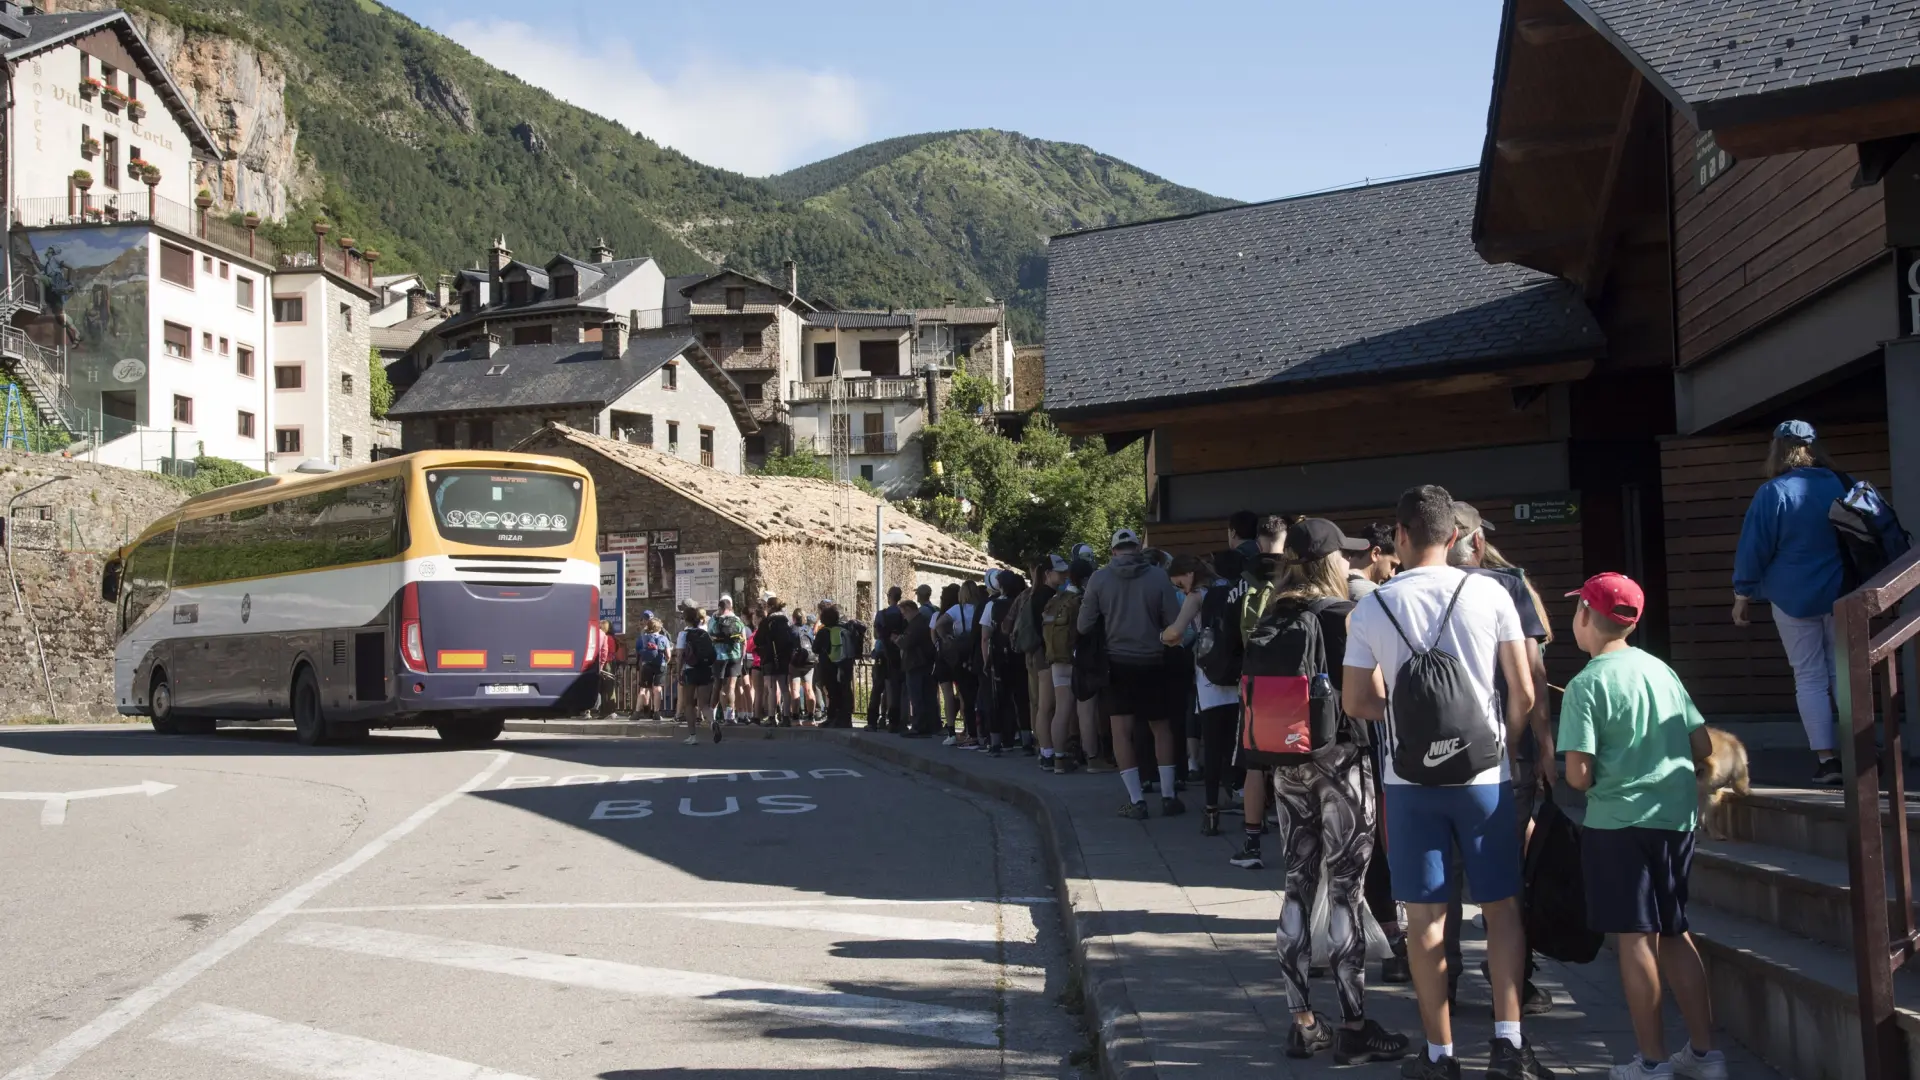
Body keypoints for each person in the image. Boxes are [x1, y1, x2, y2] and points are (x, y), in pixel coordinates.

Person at [1341, 484, 1548, 1080]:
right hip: (1485, 778)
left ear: (1399, 537)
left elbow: (1358, 699)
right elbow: (1526, 689)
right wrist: (1497, 742)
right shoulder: (1490, 593)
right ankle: (1508, 1045)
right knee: (1503, 908)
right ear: (1455, 537)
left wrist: (1407, 715)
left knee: (1427, 919)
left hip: (1408, 783)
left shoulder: (1373, 607)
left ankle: (1440, 1055)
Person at [1254, 519, 1412, 1065]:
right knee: (1345, 888)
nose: (1349, 563)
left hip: (1286, 760)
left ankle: (1301, 1021)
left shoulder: (1272, 615)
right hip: (1343, 762)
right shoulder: (1347, 616)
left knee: (1297, 884)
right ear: (1329, 563)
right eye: (1342, 557)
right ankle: (1352, 1024)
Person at [1559, 573, 1726, 1080]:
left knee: (1635, 938)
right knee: (1675, 931)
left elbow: (1578, 776)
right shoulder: (1661, 670)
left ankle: (1651, 1062)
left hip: (1617, 825)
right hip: (1675, 820)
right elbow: (1703, 747)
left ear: (1585, 616)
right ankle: (1704, 1054)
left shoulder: (1586, 684)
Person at [1449, 501, 1557, 1014]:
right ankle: (1514, 983)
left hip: (1429, 759)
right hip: (1501, 749)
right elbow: (1532, 677)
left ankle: (1441, 980)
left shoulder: (1402, 588)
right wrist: (1536, 744)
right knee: (1506, 874)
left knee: (1440, 878)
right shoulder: (1509, 585)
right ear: (1471, 539)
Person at [1733, 419, 1848, 786]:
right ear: (1813, 446)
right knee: (1843, 673)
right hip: (1842, 592)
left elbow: (1755, 548)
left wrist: (1742, 594)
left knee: (1809, 676)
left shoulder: (1773, 492)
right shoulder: (1841, 484)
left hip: (1791, 596)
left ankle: (1828, 760)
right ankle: (1859, 750)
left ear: (1777, 449)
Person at [1078, 528, 1183, 819]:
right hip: (1153, 660)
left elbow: (1083, 625)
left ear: (1113, 551)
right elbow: (1173, 622)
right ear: (1137, 548)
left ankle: (1136, 802)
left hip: (1116, 663)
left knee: (1121, 732)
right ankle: (1169, 796)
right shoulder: (1159, 577)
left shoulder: (1099, 578)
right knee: (1161, 727)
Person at [1162, 549, 1244, 837]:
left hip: (1209, 679)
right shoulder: (1233, 588)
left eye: (1178, 583)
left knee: (1213, 744)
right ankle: (1248, 802)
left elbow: (1176, 632)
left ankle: (1211, 812)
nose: (1179, 589)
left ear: (1188, 574)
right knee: (1240, 742)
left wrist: (1162, 637)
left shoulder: (1197, 596)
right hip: (1238, 675)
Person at [1230, 513, 1293, 868]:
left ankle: (1252, 845)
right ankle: (1295, 840)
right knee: (1291, 767)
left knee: (1255, 766)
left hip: (1254, 684)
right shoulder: (1297, 572)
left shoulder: (1245, 577)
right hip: (1294, 685)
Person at [1044, 557, 1097, 772]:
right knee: (1086, 710)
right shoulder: (1084, 598)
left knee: (1062, 709)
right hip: (1080, 659)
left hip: (1058, 659)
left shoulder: (1057, 598)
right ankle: (1093, 759)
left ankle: (1058, 760)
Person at [1020, 556, 1064, 769]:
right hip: (1045, 654)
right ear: (1048, 573)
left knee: (1042, 705)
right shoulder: (1048, 597)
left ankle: (1045, 750)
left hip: (1036, 654)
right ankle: (1048, 752)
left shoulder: (1033, 595)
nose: (1063, 575)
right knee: (1047, 705)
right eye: (1060, 572)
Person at [676, 606, 721, 745]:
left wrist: (678, 671)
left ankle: (693, 736)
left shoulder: (683, 634)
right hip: (705, 670)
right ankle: (712, 722)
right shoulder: (705, 633)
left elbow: (679, 656)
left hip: (690, 670)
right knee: (704, 705)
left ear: (685, 619)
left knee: (689, 704)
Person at [900, 596, 939, 736]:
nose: (904, 617)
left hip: (916, 663)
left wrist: (897, 640)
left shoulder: (917, 624)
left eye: (904, 614)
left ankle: (919, 726)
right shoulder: (922, 622)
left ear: (910, 610)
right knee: (926, 695)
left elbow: (907, 642)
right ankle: (929, 725)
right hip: (923, 663)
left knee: (917, 696)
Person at [815, 604, 857, 727]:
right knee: (845, 690)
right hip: (845, 664)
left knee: (833, 693)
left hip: (829, 666)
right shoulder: (846, 629)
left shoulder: (824, 631)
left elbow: (815, 648)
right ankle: (846, 719)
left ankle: (833, 718)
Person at [709, 596, 749, 724]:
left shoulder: (714, 620)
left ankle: (712, 717)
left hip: (719, 657)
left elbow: (709, 635)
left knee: (717, 686)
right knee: (731, 687)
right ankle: (729, 717)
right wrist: (741, 657)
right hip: (735, 657)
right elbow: (744, 641)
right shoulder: (738, 620)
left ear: (720, 608)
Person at [756, 597, 796, 725]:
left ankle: (772, 718)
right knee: (785, 688)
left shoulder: (768, 622)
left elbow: (758, 639)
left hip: (770, 658)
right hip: (784, 658)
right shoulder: (787, 621)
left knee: (772, 688)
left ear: (770, 607)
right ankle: (786, 717)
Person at [874, 585, 907, 732]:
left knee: (879, 688)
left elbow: (876, 634)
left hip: (883, 652)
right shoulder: (903, 613)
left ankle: (877, 719)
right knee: (899, 688)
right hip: (900, 652)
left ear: (889, 596)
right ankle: (899, 720)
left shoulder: (882, 614)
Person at [1347, 522, 1398, 601]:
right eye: (1392, 565)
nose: (1392, 575)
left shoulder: (1327, 587)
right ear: (1375, 553)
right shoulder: (1378, 597)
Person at [634, 615, 670, 720]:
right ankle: (657, 713)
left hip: (646, 665)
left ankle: (636, 712)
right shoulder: (663, 638)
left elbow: (638, 652)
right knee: (657, 688)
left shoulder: (642, 638)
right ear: (659, 628)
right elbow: (668, 654)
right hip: (660, 665)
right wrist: (666, 662)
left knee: (643, 689)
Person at [791, 613, 818, 723]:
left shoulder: (792, 629)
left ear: (793, 618)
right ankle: (811, 716)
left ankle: (796, 717)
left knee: (795, 689)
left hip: (796, 662)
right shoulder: (809, 629)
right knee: (809, 688)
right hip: (809, 661)